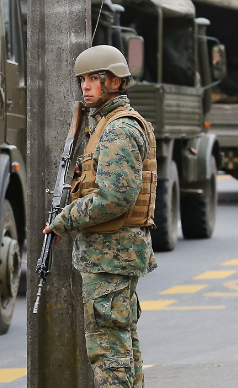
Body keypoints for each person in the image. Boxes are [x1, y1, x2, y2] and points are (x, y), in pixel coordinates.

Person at [44, 45, 157, 388]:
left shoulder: (118, 130)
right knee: (123, 350)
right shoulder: (106, 125)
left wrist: (65, 219)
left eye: (95, 78)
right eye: (83, 79)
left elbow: (115, 198)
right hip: (111, 255)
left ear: (115, 81)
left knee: (109, 355)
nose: (86, 86)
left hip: (112, 256)